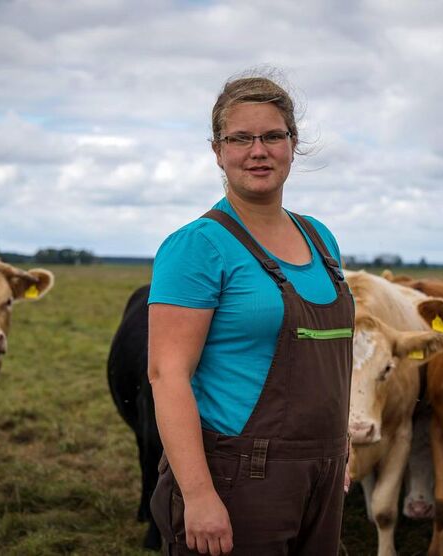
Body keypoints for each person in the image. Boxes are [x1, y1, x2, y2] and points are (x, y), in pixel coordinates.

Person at [148, 72, 354, 556]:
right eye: (240, 138)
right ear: (217, 151)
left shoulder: (321, 238)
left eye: (272, 136)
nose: (257, 151)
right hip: (238, 475)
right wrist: (198, 495)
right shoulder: (197, 246)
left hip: (322, 471)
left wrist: (335, 448)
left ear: (292, 144)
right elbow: (167, 374)